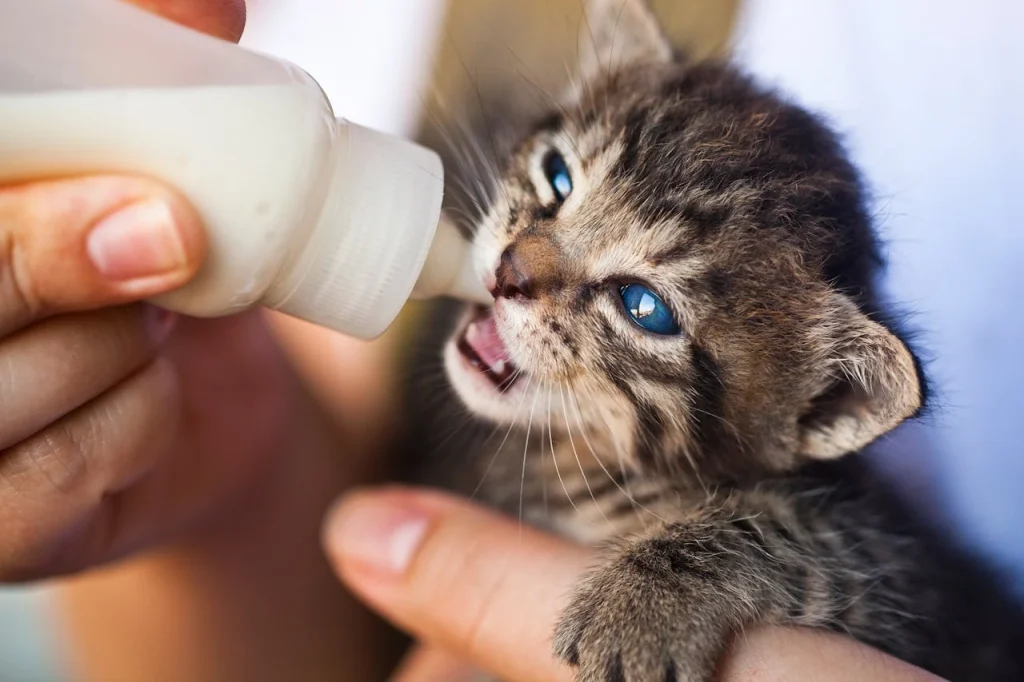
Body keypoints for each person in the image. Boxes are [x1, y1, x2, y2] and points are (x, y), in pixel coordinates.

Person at [0, 1, 944, 680]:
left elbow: (860, 567)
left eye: (642, 304)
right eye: (560, 178)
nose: (519, 267)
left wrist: (684, 576)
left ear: (817, 405)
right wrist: (224, 498)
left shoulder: (779, 438)